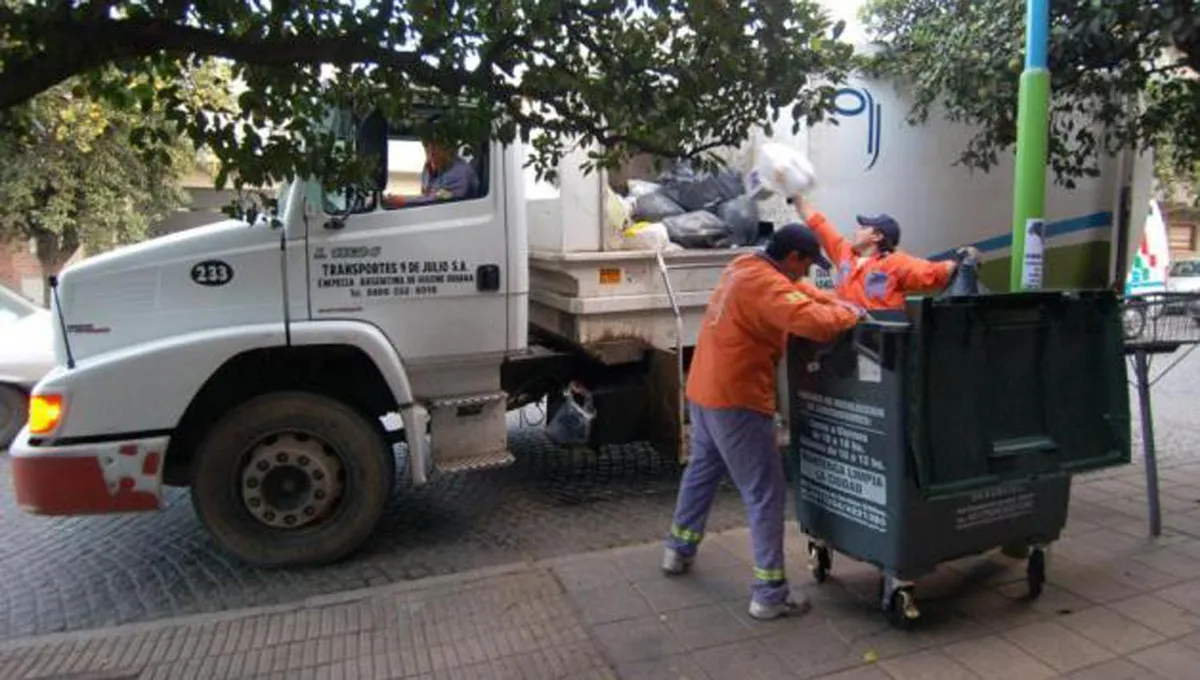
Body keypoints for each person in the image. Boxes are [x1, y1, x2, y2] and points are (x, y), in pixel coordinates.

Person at [661, 223, 863, 621]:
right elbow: (811, 322)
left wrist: (833, 300)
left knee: (702, 469)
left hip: (704, 390)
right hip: (737, 399)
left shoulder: (745, 266)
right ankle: (769, 594)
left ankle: (678, 550)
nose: (806, 275)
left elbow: (799, 293)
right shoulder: (767, 287)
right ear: (792, 258)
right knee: (765, 492)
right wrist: (848, 316)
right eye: (805, 267)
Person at [794, 196, 979, 310]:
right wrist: (795, 195)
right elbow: (818, 224)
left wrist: (968, 257)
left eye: (863, 227)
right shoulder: (844, 252)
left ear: (877, 236)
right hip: (844, 340)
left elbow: (936, 272)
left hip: (880, 345)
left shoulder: (896, 263)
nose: (856, 231)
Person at [382, 134, 479, 209]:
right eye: (427, 148)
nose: (430, 154)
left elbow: (434, 200)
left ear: (449, 149)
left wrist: (402, 201)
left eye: (434, 148)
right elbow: (426, 195)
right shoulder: (437, 169)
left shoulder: (460, 174)